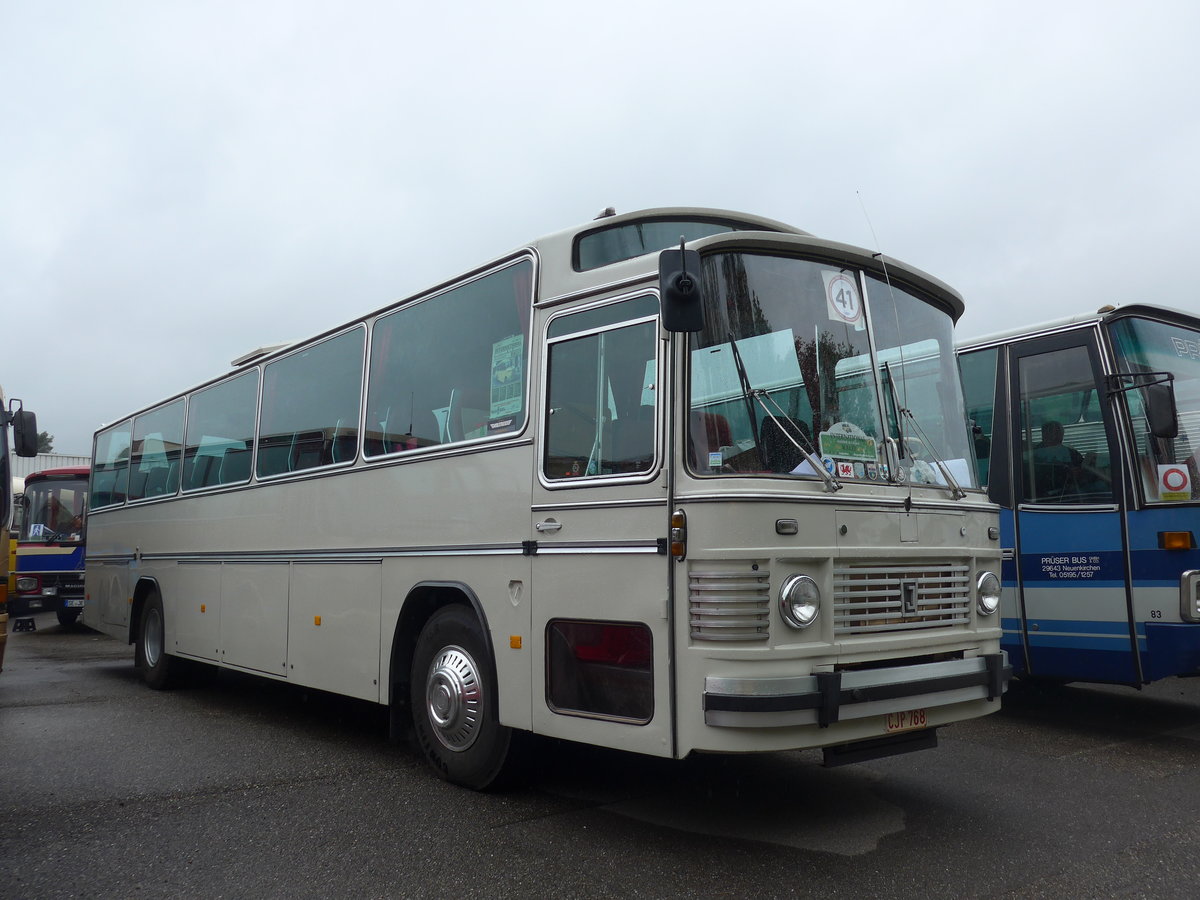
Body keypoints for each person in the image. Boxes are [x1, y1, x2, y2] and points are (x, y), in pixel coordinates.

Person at [1032, 420, 1083, 498]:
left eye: (1058, 432)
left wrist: (1077, 473)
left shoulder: (1072, 453)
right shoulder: (1033, 455)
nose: (1055, 436)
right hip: (1042, 497)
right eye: (1051, 432)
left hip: (1070, 493)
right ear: (1043, 434)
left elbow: (1082, 469)